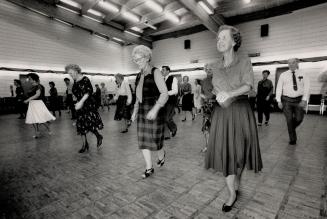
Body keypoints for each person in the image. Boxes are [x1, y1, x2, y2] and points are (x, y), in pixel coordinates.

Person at [204, 25, 263, 212]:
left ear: (234, 41)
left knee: (240, 153)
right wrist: (213, 94)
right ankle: (231, 194)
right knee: (226, 153)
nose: (219, 41)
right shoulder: (215, 66)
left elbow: (248, 85)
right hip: (222, 113)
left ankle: (237, 177)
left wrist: (229, 93)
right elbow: (215, 88)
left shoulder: (244, 61)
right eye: (218, 38)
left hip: (241, 110)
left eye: (223, 38)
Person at [131, 45, 168, 179]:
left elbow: (164, 93)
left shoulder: (155, 72)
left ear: (147, 58)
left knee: (155, 140)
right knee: (143, 141)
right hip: (142, 110)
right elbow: (137, 96)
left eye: (139, 59)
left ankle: (161, 154)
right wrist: (135, 111)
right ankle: (149, 167)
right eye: (135, 60)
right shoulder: (138, 76)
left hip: (155, 109)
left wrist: (155, 109)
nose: (137, 62)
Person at [65, 64, 104, 153]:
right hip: (80, 105)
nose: (70, 75)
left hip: (88, 105)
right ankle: (85, 144)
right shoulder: (75, 81)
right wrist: (76, 102)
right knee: (81, 125)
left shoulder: (85, 79)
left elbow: (88, 92)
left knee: (89, 124)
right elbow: (76, 93)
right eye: (69, 74)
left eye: (71, 73)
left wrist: (81, 102)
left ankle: (98, 136)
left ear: (76, 70)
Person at [276, 58, 310, 145]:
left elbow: (307, 87)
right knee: (289, 119)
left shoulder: (303, 73)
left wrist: (304, 100)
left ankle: (291, 127)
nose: (291, 64)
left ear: (297, 63)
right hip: (286, 100)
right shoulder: (283, 75)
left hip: (299, 100)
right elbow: (279, 88)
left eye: (293, 62)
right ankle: (292, 139)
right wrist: (278, 101)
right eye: (289, 63)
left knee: (299, 119)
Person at [24, 73, 55, 138]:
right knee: (33, 119)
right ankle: (37, 132)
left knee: (41, 119)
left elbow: (37, 95)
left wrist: (28, 99)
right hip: (32, 104)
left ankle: (49, 129)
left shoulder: (38, 86)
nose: (29, 80)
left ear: (34, 79)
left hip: (38, 104)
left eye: (30, 79)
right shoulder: (31, 87)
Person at [200, 64, 215, 153]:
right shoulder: (203, 81)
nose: (208, 70)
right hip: (206, 107)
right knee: (206, 127)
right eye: (207, 69)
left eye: (210, 69)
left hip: (216, 106)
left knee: (216, 128)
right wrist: (202, 100)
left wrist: (206, 97)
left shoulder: (217, 80)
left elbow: (216, 93)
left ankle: (216, 146)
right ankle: (207, 146)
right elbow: (202, 93)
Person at [161, 66, 178, 140]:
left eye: (163, 70)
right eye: (161, 70)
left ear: (168, 71)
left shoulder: (173, 78)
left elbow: (175, 91)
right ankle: (166, 135)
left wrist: (165, 93)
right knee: (163, 118)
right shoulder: (161, 79)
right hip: (162, 102)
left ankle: (174, 129)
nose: (162, 71)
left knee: (167, 118)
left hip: (170, 101)